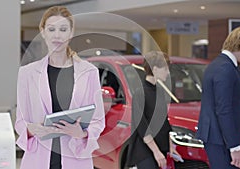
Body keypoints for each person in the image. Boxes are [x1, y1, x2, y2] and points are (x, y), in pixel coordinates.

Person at [14, 6, 105, 169]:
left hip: (75, 158)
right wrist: (32, 129)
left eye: (63, 29)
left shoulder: (89, 72)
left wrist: (82, 133)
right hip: (38, 158)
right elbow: (21, 121)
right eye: (51, 29)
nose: (57, 35)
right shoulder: (27, 73)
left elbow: (98, 119)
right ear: (43, 32)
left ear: (71, 33)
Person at [196, 26, 240, 169]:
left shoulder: (216, 65)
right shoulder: (225, 68)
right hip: (221, 138)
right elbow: (224, 109)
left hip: (218, 136)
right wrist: (234, 147)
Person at [126, 51, 181, 169]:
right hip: (144, 151)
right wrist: (156, 152)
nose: (168, 72)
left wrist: (171, 146)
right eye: (165, 68)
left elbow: (164, 122)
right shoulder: (140, 93)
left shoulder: (160, 91)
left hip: (159, 146)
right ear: (155, 69)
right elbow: (142, 127)